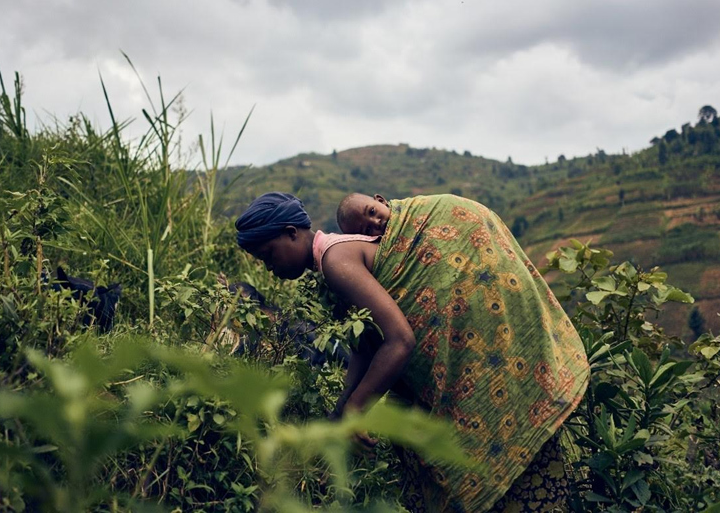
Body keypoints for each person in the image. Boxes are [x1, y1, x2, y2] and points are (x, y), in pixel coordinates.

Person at [235, 192, 590, 512]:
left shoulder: (334, 260)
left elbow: (399, 340)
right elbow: (365, 346)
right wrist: (341, 412)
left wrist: (357, 408)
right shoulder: (335, 261)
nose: (268, 266)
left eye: (268, 254)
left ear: (292, 232)